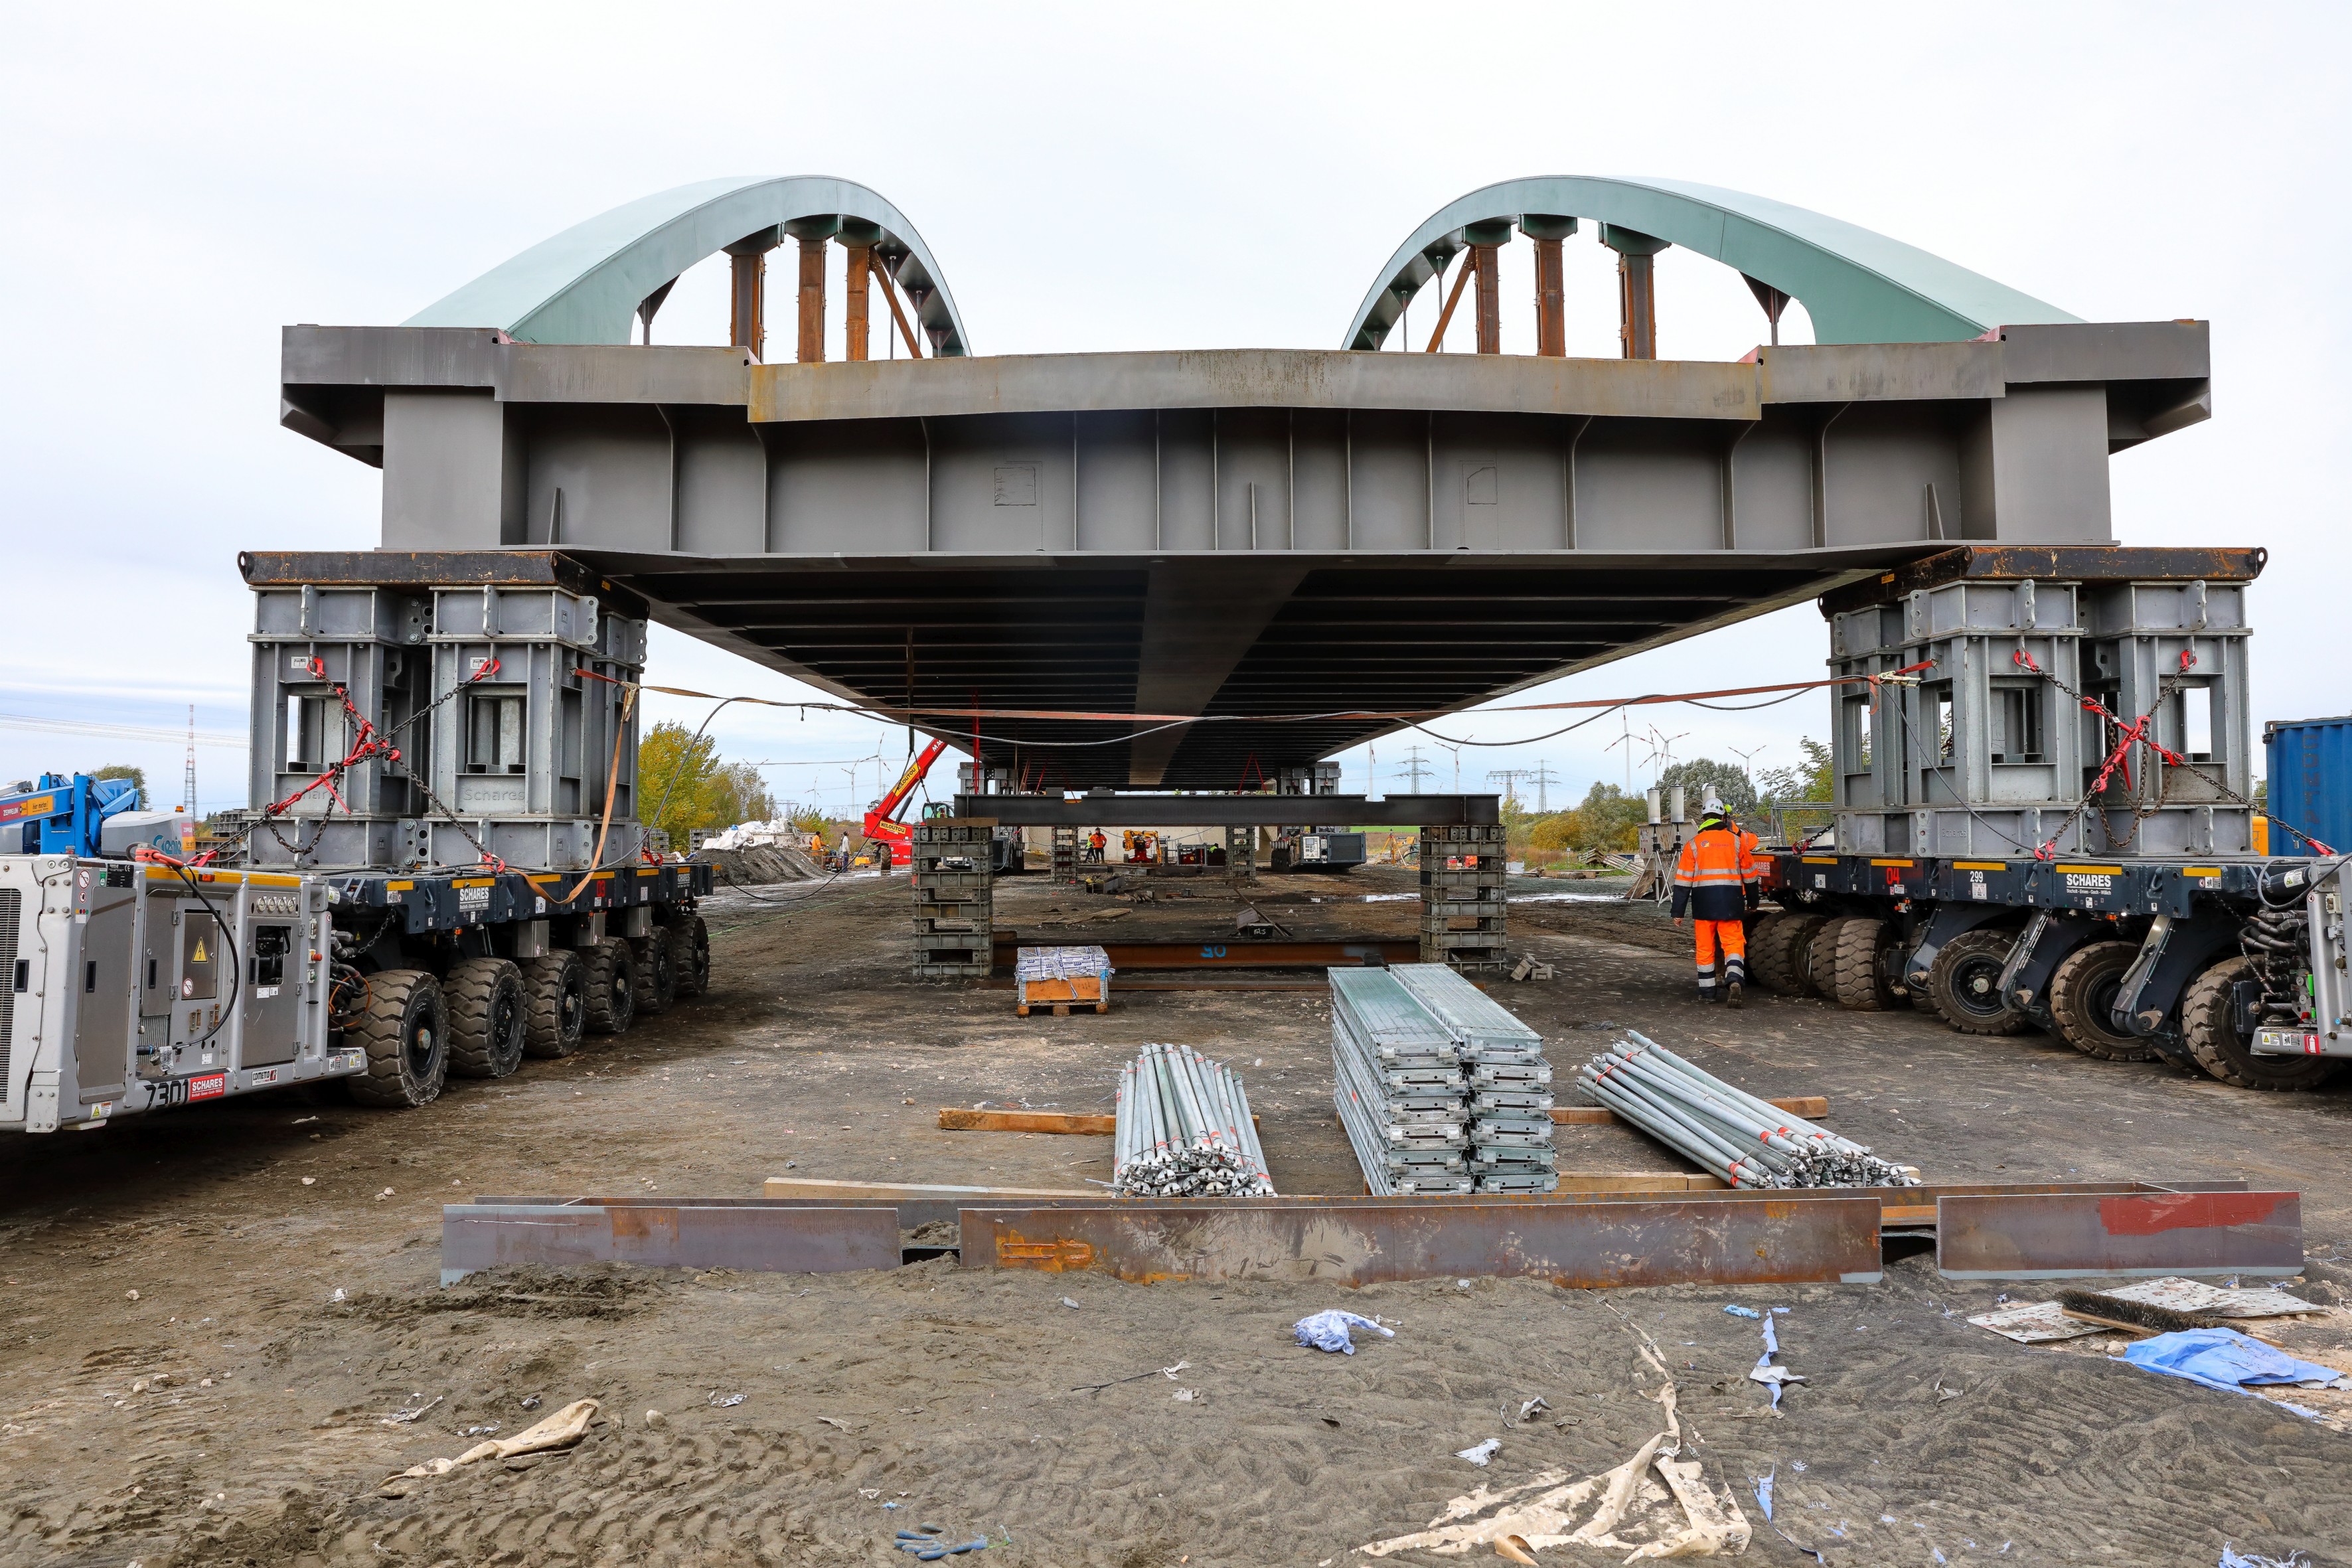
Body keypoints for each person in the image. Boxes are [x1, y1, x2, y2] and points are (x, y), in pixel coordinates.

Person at [1670, 795, 1758, 1006]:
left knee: (1705, 948)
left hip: (1703, 905)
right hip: (1731, 903)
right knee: (1733, 943)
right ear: (1722, 817)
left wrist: (1678, 912)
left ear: (1704, 818)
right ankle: (1734, 980)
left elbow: (1683, 882)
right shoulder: (1737, 842)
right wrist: (1753, 902)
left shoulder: (1694, 845)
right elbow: (1751, 875)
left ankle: (1708, 994)